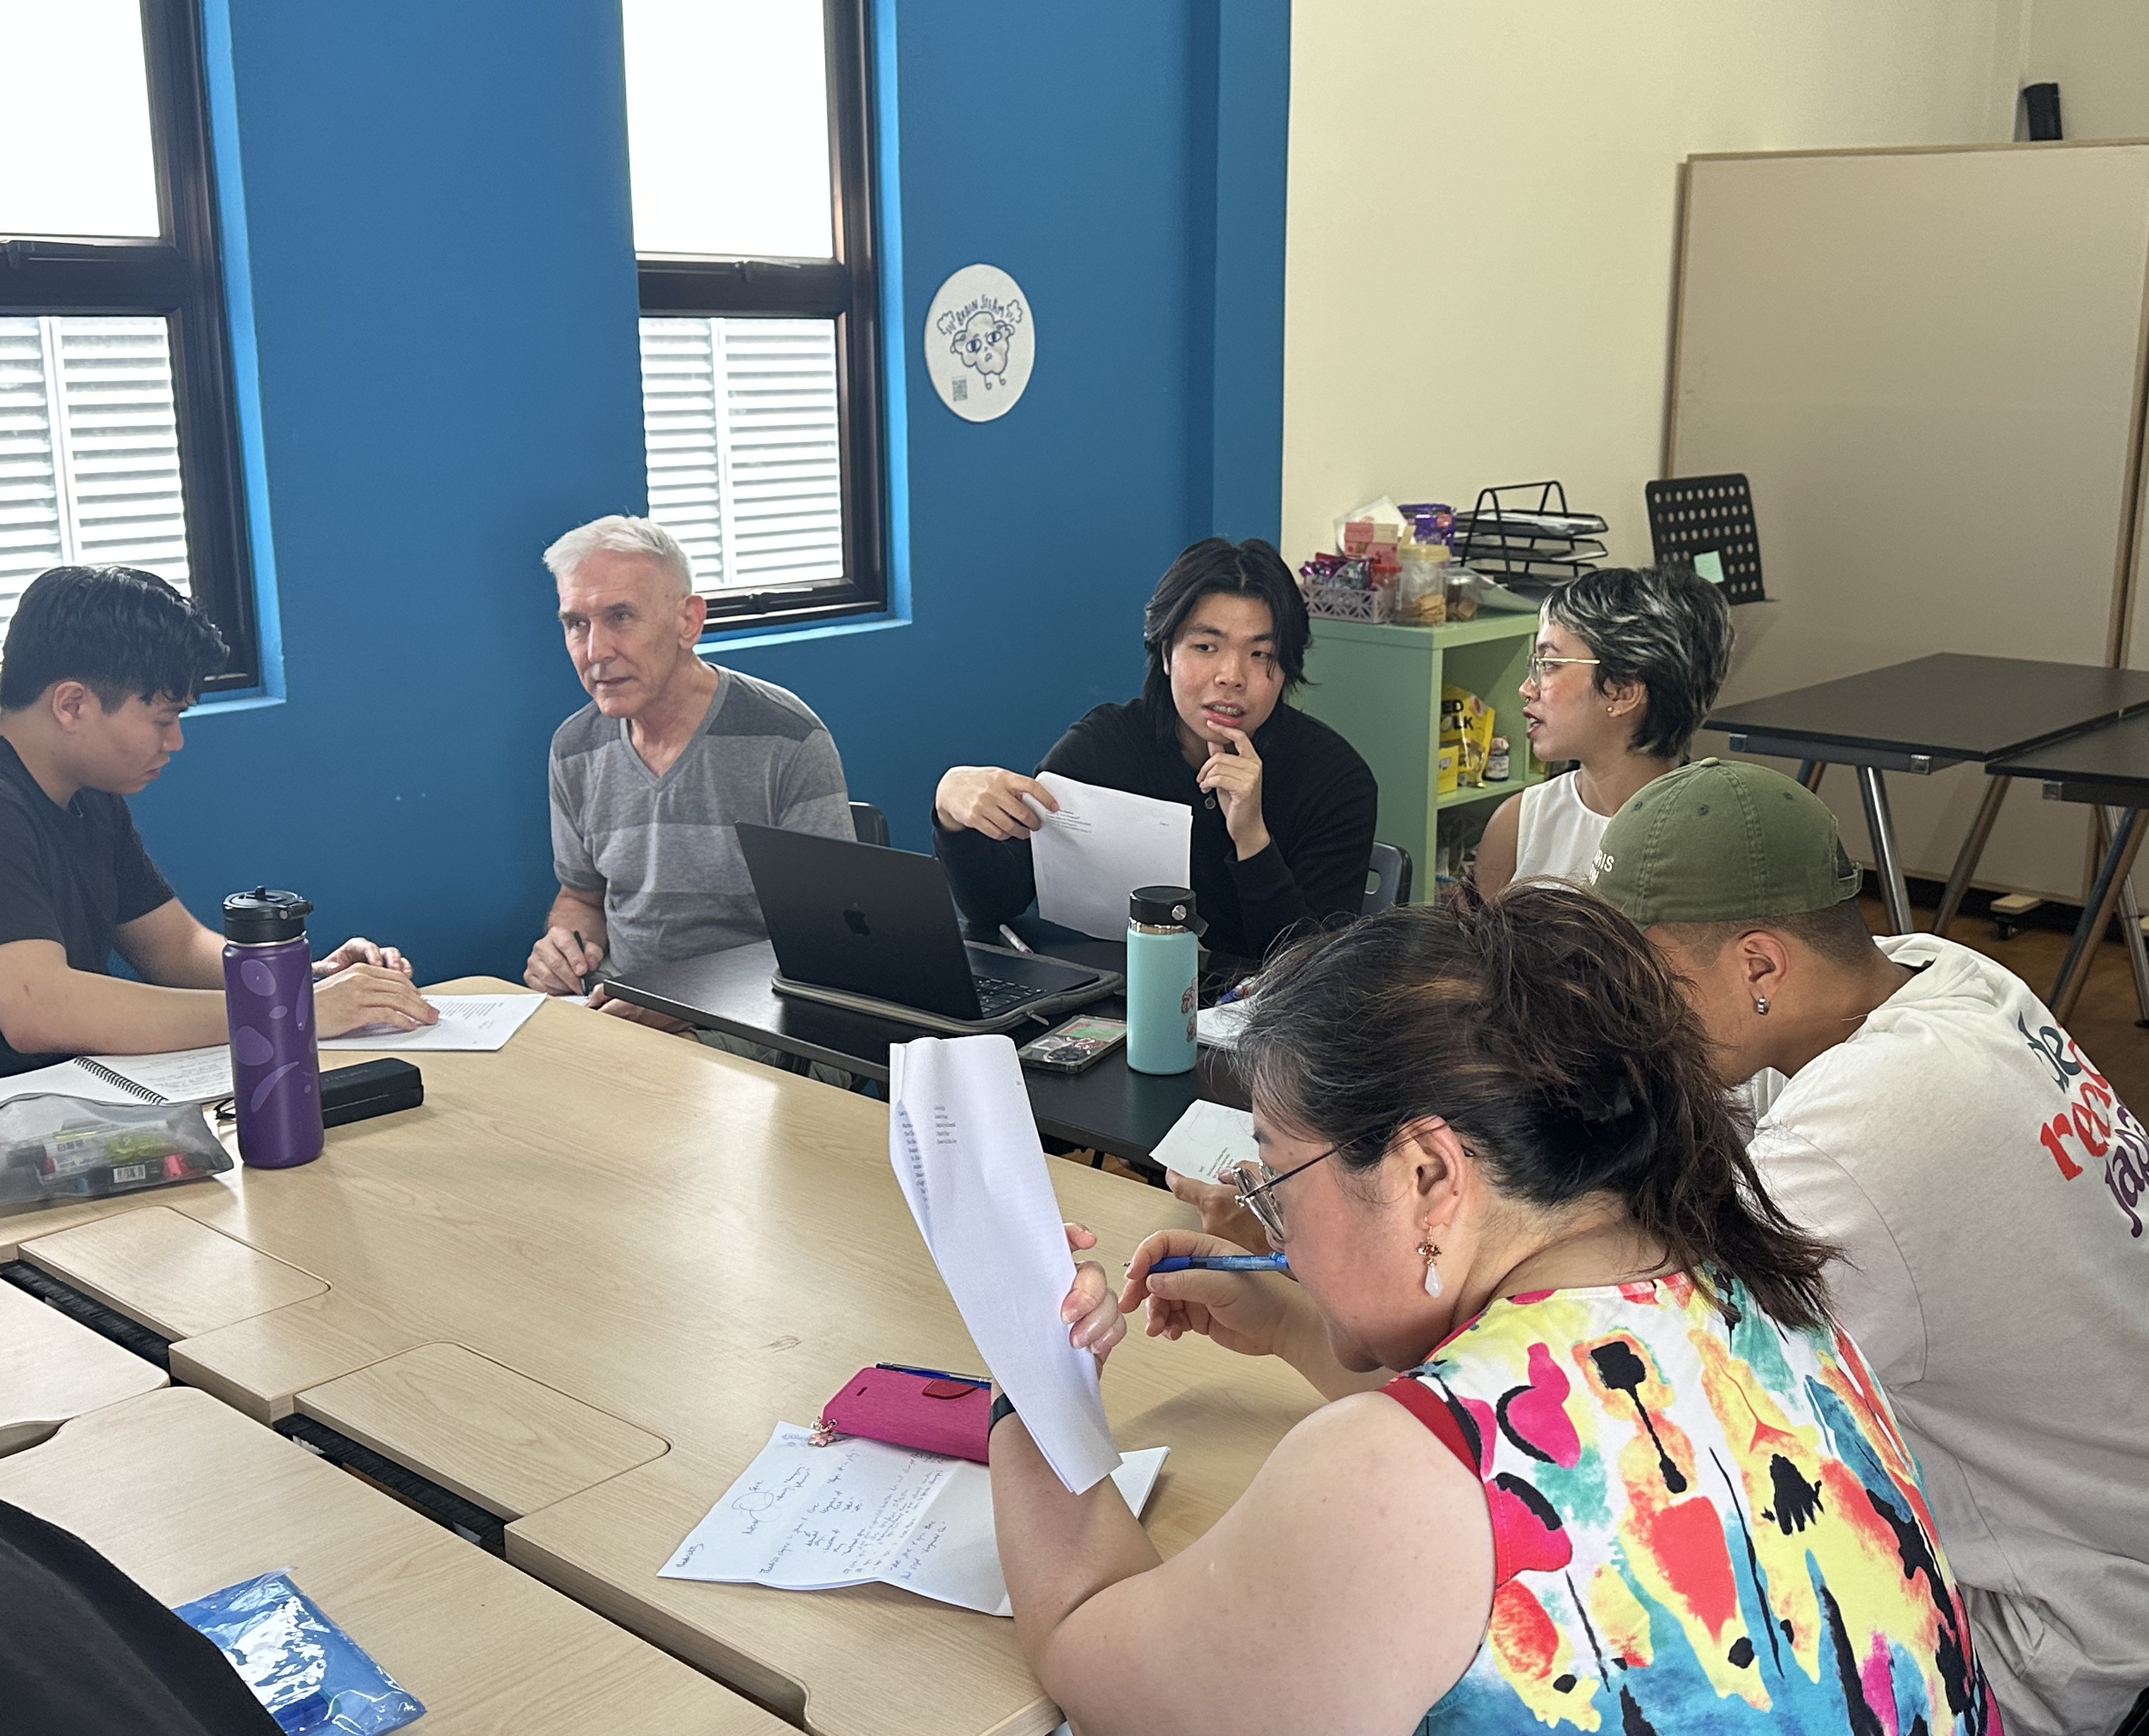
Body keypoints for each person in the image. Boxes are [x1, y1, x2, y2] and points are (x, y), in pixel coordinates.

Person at [993, 887, 1996, 1735]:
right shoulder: (1757, 1295)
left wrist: (1030, 1369)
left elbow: (1096, 1647)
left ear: (1428, 1171)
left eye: (1278, 1174)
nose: (1268, 1214)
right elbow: (1539, 1452)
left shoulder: (1380, 1480)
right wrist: (1298, 1320)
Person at [1591, 757, 2149, 1736]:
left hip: (2071, 1640)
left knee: (1627, 1611)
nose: (1631, 1022)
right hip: (2113, 1529)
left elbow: (1653, 1400)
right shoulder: (1942, 968)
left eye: (1648, 985)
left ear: (1760, 964)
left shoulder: (1867, 1127)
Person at [0, 567, 433, 1076]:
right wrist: (288, 1013)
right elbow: (40, 1010)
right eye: (163, 719)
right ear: (72, 704)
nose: (175, 742)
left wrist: (304, 980)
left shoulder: (91, 795)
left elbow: (176, 949)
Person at [932, 538, 1375, 972]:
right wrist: (951, 807)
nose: (1231, 676)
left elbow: (1316, 974)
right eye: (1206, 647)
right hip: (1110, 1007)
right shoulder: (1103, 747)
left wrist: (1252, 840)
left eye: (1262, 654)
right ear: (1166, 653)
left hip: (1258, 1029)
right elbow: (993, 909)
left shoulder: (1335, 780)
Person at [524, 516, 854, 1032]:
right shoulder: (574, 747)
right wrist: (566, 946)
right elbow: (581, 898)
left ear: (688, 622)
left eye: (621, 617)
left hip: (758, 1018)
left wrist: (682, 1003)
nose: (595, 652)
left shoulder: (786, 738)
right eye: (576, 624)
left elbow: (832, 941)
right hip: (619, 1005)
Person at [1474, 564, 1732, 892]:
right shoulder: (1518, 825)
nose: (1527, 688)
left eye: (1549, 665)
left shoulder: (1712, 844)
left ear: (1623, 692)